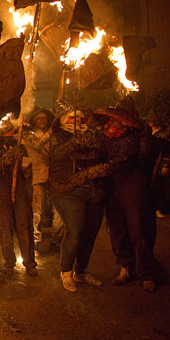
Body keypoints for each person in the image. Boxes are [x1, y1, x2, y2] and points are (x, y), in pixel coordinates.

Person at [92, 101, 160, 292]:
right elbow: (98, 156)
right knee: (117, 229)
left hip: (132, 187)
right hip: (112, 188)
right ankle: (125, 267)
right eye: (109, 120)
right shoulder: (104, 138)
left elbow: (123, 162)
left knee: (138, 229)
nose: (110, 123)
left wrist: (99, 170)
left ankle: (146, 272)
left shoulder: (134, 139)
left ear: (125, 123)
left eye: (115, 120)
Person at [48, 103, 106, 292]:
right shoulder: (57, 137)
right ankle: (66, 272)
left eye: (80, 117)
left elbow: (99, 154)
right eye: (73, 117)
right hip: (67, 191)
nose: (77, 120)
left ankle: (80, 271)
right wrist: (76, 142)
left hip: (92, 189)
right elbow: (57, 155)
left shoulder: (90, 133)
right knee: (76, 232)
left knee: (89, 234)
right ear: (64, 120)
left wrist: (91, 141)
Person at [0, 114, 37, 276]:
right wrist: (11, 155)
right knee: (5, 229)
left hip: (20, 189)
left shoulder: (20, 144)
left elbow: (27, 172)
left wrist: (25, 165)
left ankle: (29, 263)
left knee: (24, 226)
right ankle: (9, 262)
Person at [21, 106, 64, 252]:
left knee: (57, 209)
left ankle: (56, 240)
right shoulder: (28, 135)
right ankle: (36, 240)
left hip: (53, 175)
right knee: (37, 210)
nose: (42, 121)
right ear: (34, 120)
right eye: (39, 118)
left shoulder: (52, 135)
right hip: (36, 175)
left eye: (44, 118)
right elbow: (37, 145)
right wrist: (51, 133)